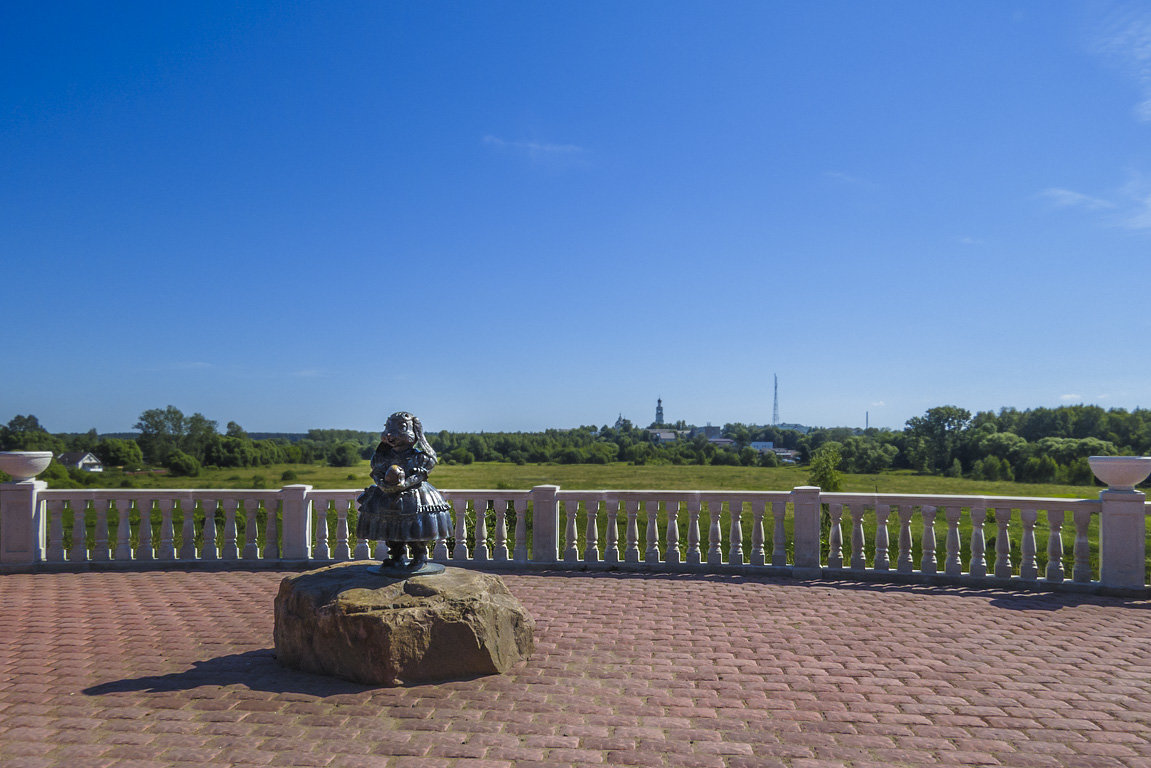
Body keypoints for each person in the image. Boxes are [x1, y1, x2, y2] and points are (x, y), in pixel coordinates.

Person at [355, 411, 452, 569]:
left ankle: (419, 556)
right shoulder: (382, 457)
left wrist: (403, 485)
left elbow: (420, 475)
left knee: (417, 527)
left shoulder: (420, 458)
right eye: (389, 428)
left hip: (414, 496)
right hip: (387, 496)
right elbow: (377, 473)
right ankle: (397, 556)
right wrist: (383, 485)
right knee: (390, 527)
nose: (391, 434)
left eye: (401, 428)